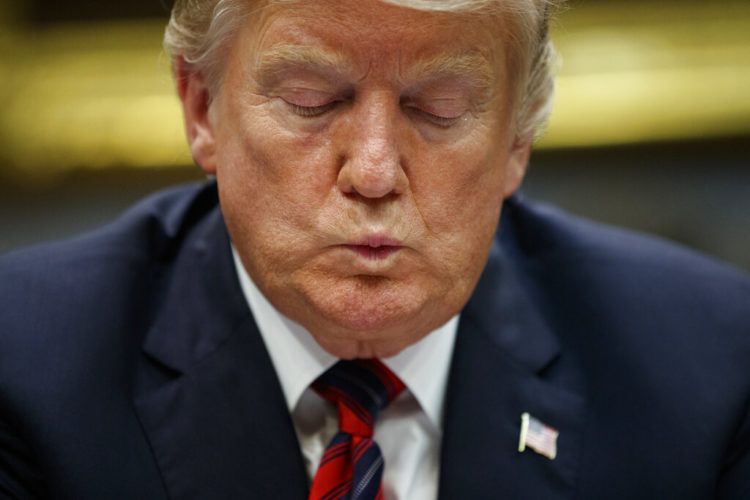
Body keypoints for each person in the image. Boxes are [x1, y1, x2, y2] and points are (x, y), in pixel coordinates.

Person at [1, 0, 748, 498]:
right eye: (310, 101)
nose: (373, 172)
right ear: (202, 109)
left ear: (518, 138)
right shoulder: (25, 370)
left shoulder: (711, 371)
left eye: (438, 109)